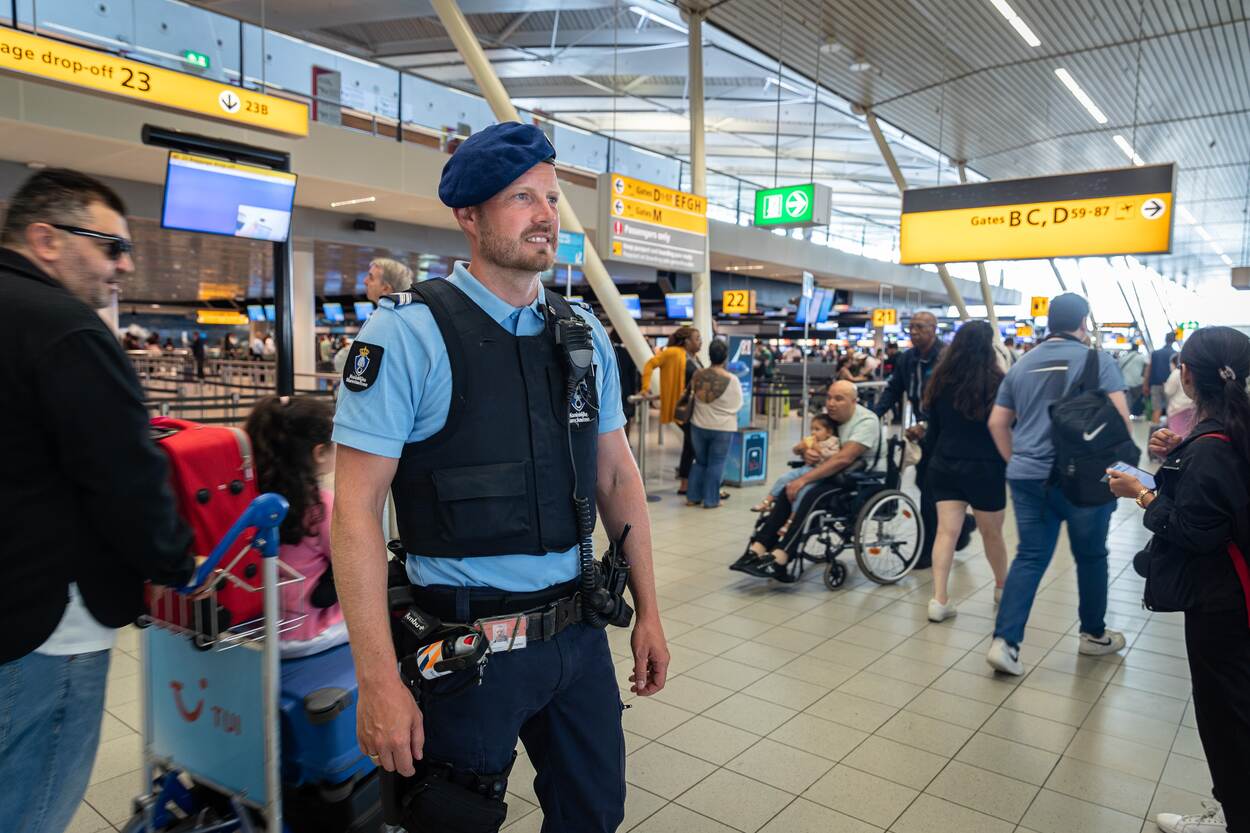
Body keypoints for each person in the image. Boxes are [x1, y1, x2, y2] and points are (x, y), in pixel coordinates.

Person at [330, 122, 667, 833]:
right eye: (522, 197)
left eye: (550, 197)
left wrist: (652, 613)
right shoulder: (407, 335)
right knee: (448, 820)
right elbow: (354, 511)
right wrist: (376, 679)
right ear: (469, 215)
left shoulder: (581, 335)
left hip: (577, 638)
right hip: (462, 647)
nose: (546, 214)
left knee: (594, 813)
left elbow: (616, 477)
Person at [0, 168, 194, 833]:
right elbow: (126, 477)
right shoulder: (67, 330)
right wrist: (175, 562)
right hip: (47, 621)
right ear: (45, 238)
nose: (125, 264)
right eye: (110, 245)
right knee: (30, 800)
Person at [1106, 327, 1250, 833]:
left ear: (1187, 374)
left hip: (1220, 604)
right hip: (1239, 596)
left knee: (1224, 716)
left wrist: (1140, 494)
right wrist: (1178, 456)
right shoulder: (1233, 430)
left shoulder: (1211, 447)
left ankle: (1235, 816)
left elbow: (1195, 529)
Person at [985, 293, 1131, 675]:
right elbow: (1120, 422)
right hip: (1084, 480)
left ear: (1048, 322)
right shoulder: (1098, 361)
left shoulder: (1022, 364)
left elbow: (997, 423)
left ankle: (1006, 642)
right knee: (1091, 555)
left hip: (1028, 477)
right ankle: (1093, 635)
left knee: (1030, 556)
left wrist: (1016, 459)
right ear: (1083, 322)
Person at [734, 381, 883, 581]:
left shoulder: (866, 421)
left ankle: (782, 556)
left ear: (854, 402)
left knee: (810, 494)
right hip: (835, 473)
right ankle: (759, 547)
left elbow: (844, 458)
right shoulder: (833, 418)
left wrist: (803, 479)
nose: (831, 403)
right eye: (829, 397)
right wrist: (806, 453)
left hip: (861, 480)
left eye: (839, 399)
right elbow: (814, 442)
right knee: (789, 488)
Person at [919, 320, 1008, 622]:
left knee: (946, 532)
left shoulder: (940, 381)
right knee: (991, 533)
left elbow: (932, 432)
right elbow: (1009, 426)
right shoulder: (997, 382)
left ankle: (939, 599)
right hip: (986, 468)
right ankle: (1001, 588)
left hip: (944, 465)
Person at [246, 396, 347, 659]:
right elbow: (352, 565)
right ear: (319, 452)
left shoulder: (250, 500)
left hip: (255, 631)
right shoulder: (321, 506)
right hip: (307, 634)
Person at [872, 311, 974, 569]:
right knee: (924, 483)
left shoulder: (948, 358)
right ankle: (962, 528)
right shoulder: (907, 359)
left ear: (934, 328)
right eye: (911, 327)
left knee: (931, 488)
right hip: (923, 434)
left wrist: (927, 423)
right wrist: (873, 416)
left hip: (946, 431)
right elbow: (894, 389)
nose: (913, 331)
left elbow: (953, 399)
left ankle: (930, 549)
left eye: (919, 327)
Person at [642, 325, 702, 494]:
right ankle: (687, 482)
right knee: (693, 443)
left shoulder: (693, 356)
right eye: (697, 338)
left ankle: (686, 483)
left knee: (691, 445)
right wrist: (645, 388)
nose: (701, 342)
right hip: (681, 408)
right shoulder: (673, 352)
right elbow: (649, 364)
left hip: (693, 408)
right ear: (686, 341)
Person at [686, 339, 743, 509]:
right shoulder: (731, 380)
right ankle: (711, 500)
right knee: (716, 463)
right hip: (723, 427)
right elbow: (738, 404)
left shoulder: (698, 374)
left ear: (709, 354)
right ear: (726, 356)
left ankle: (692, 497)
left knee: (700, 461)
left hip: (698, 424)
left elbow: (693, 394)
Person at [752, 413, 839, 513]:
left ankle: (793, 518)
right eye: (812, 429)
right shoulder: (811, 440)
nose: (813, 432)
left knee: (802, 493)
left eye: (817, 429)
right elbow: (796, 451)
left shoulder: (833, 442)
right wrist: (800, 448)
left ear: (829, 432)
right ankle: (767, 501)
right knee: (783, 478)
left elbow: (831, 456)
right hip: (805, 468)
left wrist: (816, 447)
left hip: (818, 474)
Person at [1146, 330, 1178, 419]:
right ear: (1174, 340)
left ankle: (1155, 431)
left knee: (1156, 409)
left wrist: (1145, 385)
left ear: (1165, 340)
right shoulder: (1175, 354)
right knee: (1170, 409)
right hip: (1170, 385)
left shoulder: (1155, 353)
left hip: (1155, 384)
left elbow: (1148, 370)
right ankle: (1169, 431)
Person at [1164, 353, 1197, 438]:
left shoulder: (1176, 373)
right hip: (1192, 408)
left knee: (1177, 436)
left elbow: (1168, 391)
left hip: (1177, 409)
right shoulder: (1195, 372)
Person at [1118, 342, 1148, 417]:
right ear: (1137, 349)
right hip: (1138, 383)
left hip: (1125, 383)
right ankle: (1137, 413)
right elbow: (1148, 366)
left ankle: (1126, 415)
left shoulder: (1123, 358)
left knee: (1127, 401)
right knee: (1137, 400)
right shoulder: (1141, 357)